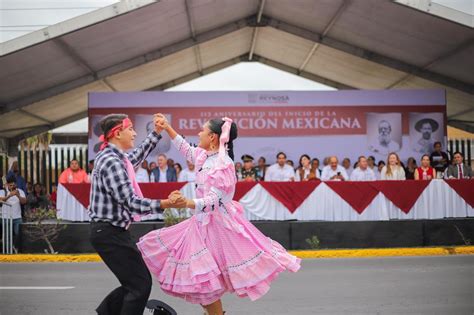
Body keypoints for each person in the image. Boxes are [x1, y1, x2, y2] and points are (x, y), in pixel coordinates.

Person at [137, 115, 300, 315]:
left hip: (217, 227)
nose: (198, 133)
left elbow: (215, 201)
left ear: (213, 137)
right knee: (203, 282)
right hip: (200, 224)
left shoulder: (223, 164)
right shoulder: (205, 156)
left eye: (202, 130)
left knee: (205, 283)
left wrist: (187, 202)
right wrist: (168, 127)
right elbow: (186, 149)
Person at [88, 113, 183, 315]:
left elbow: (138, 155)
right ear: (117, 133)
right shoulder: (112, 161)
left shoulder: (117, 158)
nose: (134, 133)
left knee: (135, 283)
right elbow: (130, 202)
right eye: (130, 129)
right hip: (108, 232)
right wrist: (165, 203)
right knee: (139, 284)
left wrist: (157, 132)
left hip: (112, 231)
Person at [0, 176, 27, 253]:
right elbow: (1, 200)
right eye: (10, 185)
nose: (12, 186)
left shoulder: (20, 191)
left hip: (17, 217)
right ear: (7, 185)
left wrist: (18, 195)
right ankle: (7, 252)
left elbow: (24, 202)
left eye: (14, 185)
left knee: (19, 235)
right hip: (6, 217)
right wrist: (9, 195)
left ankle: (16, 249)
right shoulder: (2, 191)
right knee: (6, 236)